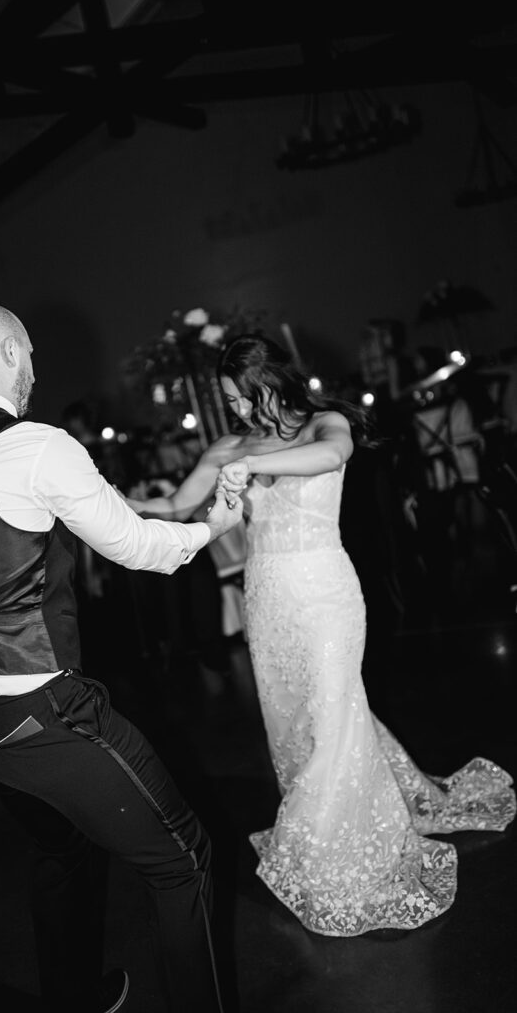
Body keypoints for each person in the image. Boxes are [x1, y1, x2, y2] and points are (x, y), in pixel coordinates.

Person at [0, 300, 243, 1013]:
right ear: (9, 353)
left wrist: (163, 506)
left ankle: (76, 994)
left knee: (62, 848)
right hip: (39, 715)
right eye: (28, 352)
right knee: (183, 862)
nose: (35, 368)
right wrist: (216, 525)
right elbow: (139, 549)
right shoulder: (35, 444)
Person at [130, 333, 516, 936]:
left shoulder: (322, 426)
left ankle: (328, 850)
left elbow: (331, 458)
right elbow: (180, 505)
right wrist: (114, 503)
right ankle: (326, 823)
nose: (234, 410)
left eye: (239, 396)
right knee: (292, 722)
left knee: (334, 714)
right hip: (267, 599)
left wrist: (252, 463)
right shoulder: (229, 445)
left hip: (327, 595)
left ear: (267, 382)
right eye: (227, 399)